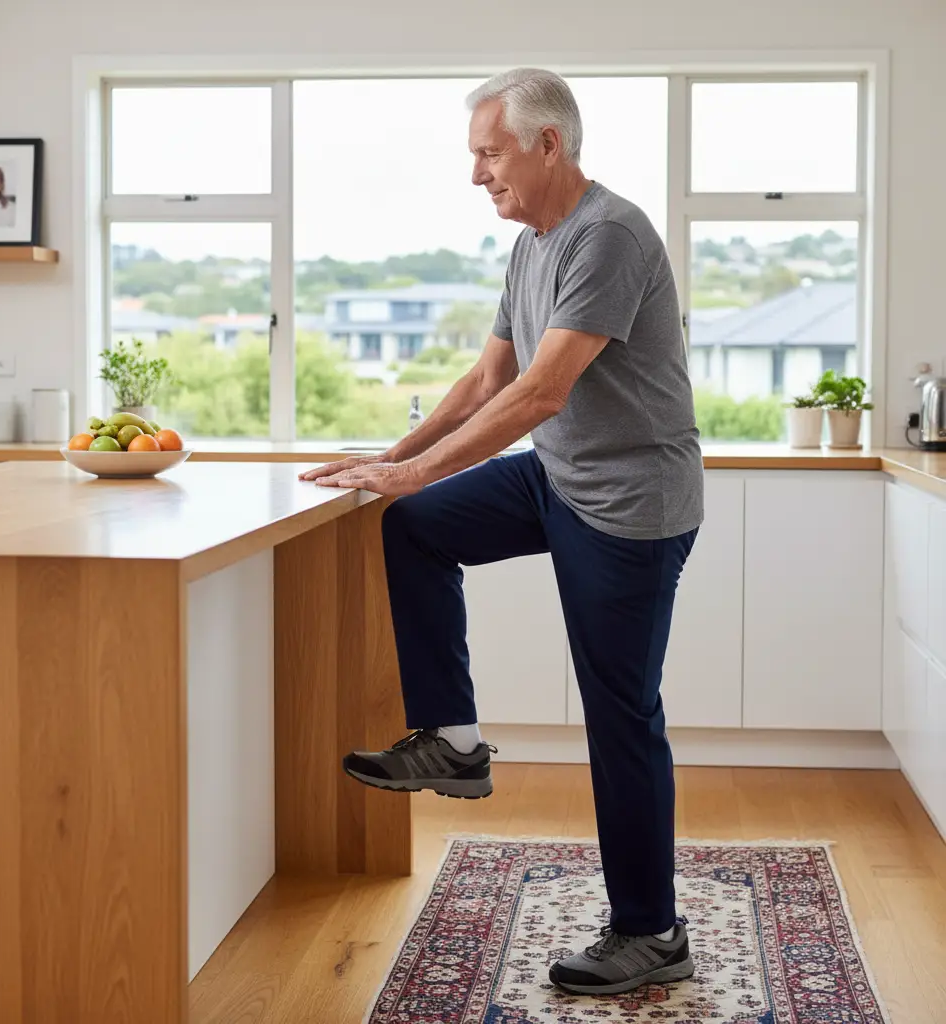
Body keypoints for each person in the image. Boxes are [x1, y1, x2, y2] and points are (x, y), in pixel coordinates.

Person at [301, 67, 704, 997]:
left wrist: (411, 469)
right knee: (416, 526)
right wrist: (392, 461)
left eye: (491, 153)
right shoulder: (531, 244)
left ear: (548, 145)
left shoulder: (608, 235)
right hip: (560, 477)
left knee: (620, 714)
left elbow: (542, 391)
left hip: (629, 505)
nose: (478, 173)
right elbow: (488, 382)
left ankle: (652, 931)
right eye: (475, 155)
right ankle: (454, 740)